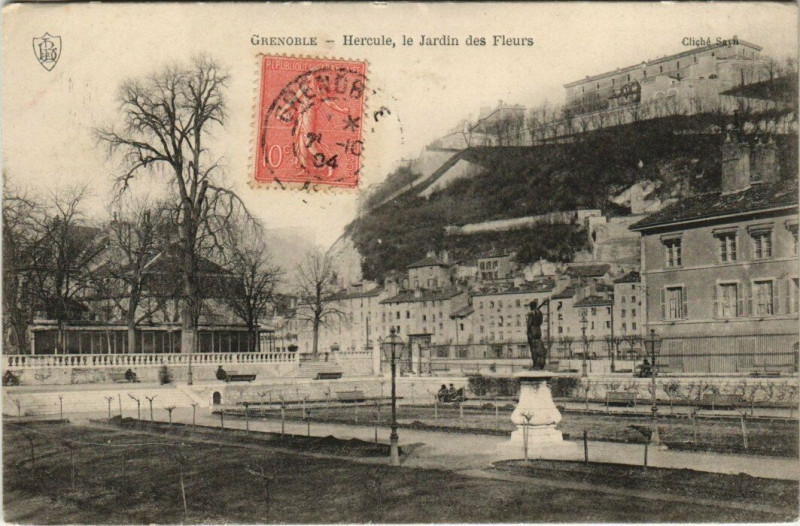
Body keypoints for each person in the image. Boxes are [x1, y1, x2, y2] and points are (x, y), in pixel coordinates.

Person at [526, 299, 550, 370]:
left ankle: (535, 364)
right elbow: (541, 322)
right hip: (538, 330)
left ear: (531, 306)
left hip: (532, 330)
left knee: (533, 348)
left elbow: (529, 324)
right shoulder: (540, 312)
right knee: (538, 345)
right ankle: (539, 363)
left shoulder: (531, 313)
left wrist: (528, 331)